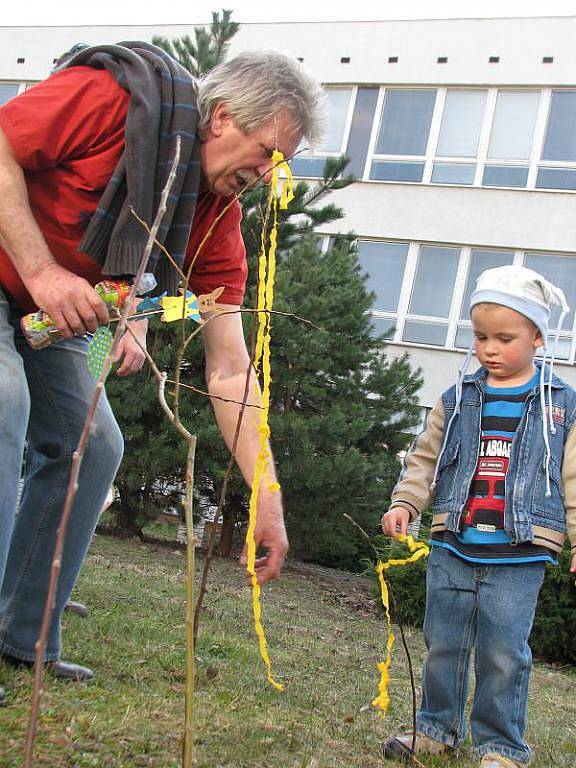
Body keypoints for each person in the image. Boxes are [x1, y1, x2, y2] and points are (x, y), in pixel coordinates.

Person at [0, 43, 325, 705]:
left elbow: (231, 369)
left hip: (50, 312)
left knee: (93, 447)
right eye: (267, 152)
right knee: (4, 404)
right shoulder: (111, 99)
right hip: (31, 277)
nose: (268, 173)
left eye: (281, 165)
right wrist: (40, 271)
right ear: (222, 118)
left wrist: (266, 495)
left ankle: (22, 636)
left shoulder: (215, 221)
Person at [380, 265, 576, 768]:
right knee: (443, 642)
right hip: (453, 545)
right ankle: (435, 730)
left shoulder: (562, 408)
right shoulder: (459, 399)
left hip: (520, 553)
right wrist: (406, 502)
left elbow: (574, 477)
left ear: (536, 336)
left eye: (504, 338)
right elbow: (424, 457)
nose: (489, 348)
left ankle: (502, 747)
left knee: (503, 654)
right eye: (481, 336)